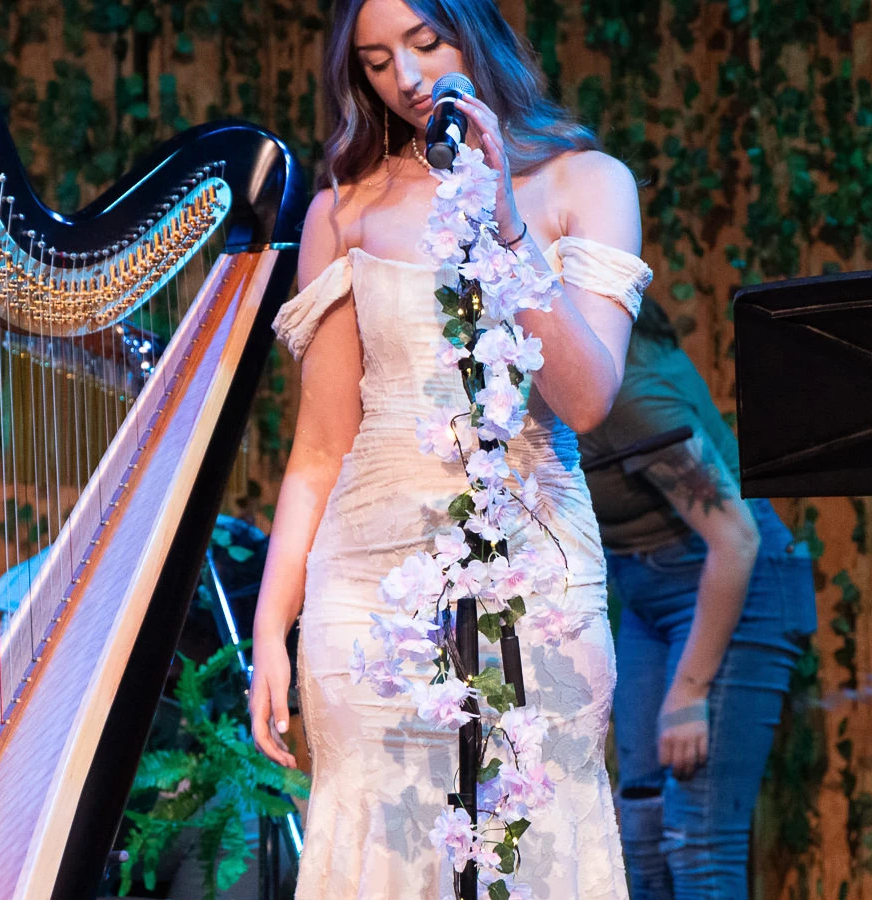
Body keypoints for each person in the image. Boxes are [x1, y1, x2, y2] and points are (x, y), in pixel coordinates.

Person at [243, 0, 650, 895]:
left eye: (427, 44)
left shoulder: (589, 183)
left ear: (478, 35)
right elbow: (318, 450)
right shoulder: (343, 212)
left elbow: (585, 398)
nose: (408, 77)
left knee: (542, 825)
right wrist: (273, 626)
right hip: (366, 587)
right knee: (374, 841)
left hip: (536, 579)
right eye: (379, 59)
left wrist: (502, 212)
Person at [581, 302, 817, 898]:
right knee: (640, 827)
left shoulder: (625, 390)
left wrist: (689, 690)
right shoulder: (568, 381)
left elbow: (735, 538)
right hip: (646, 596)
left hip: (732, 581)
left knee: (698, 839)